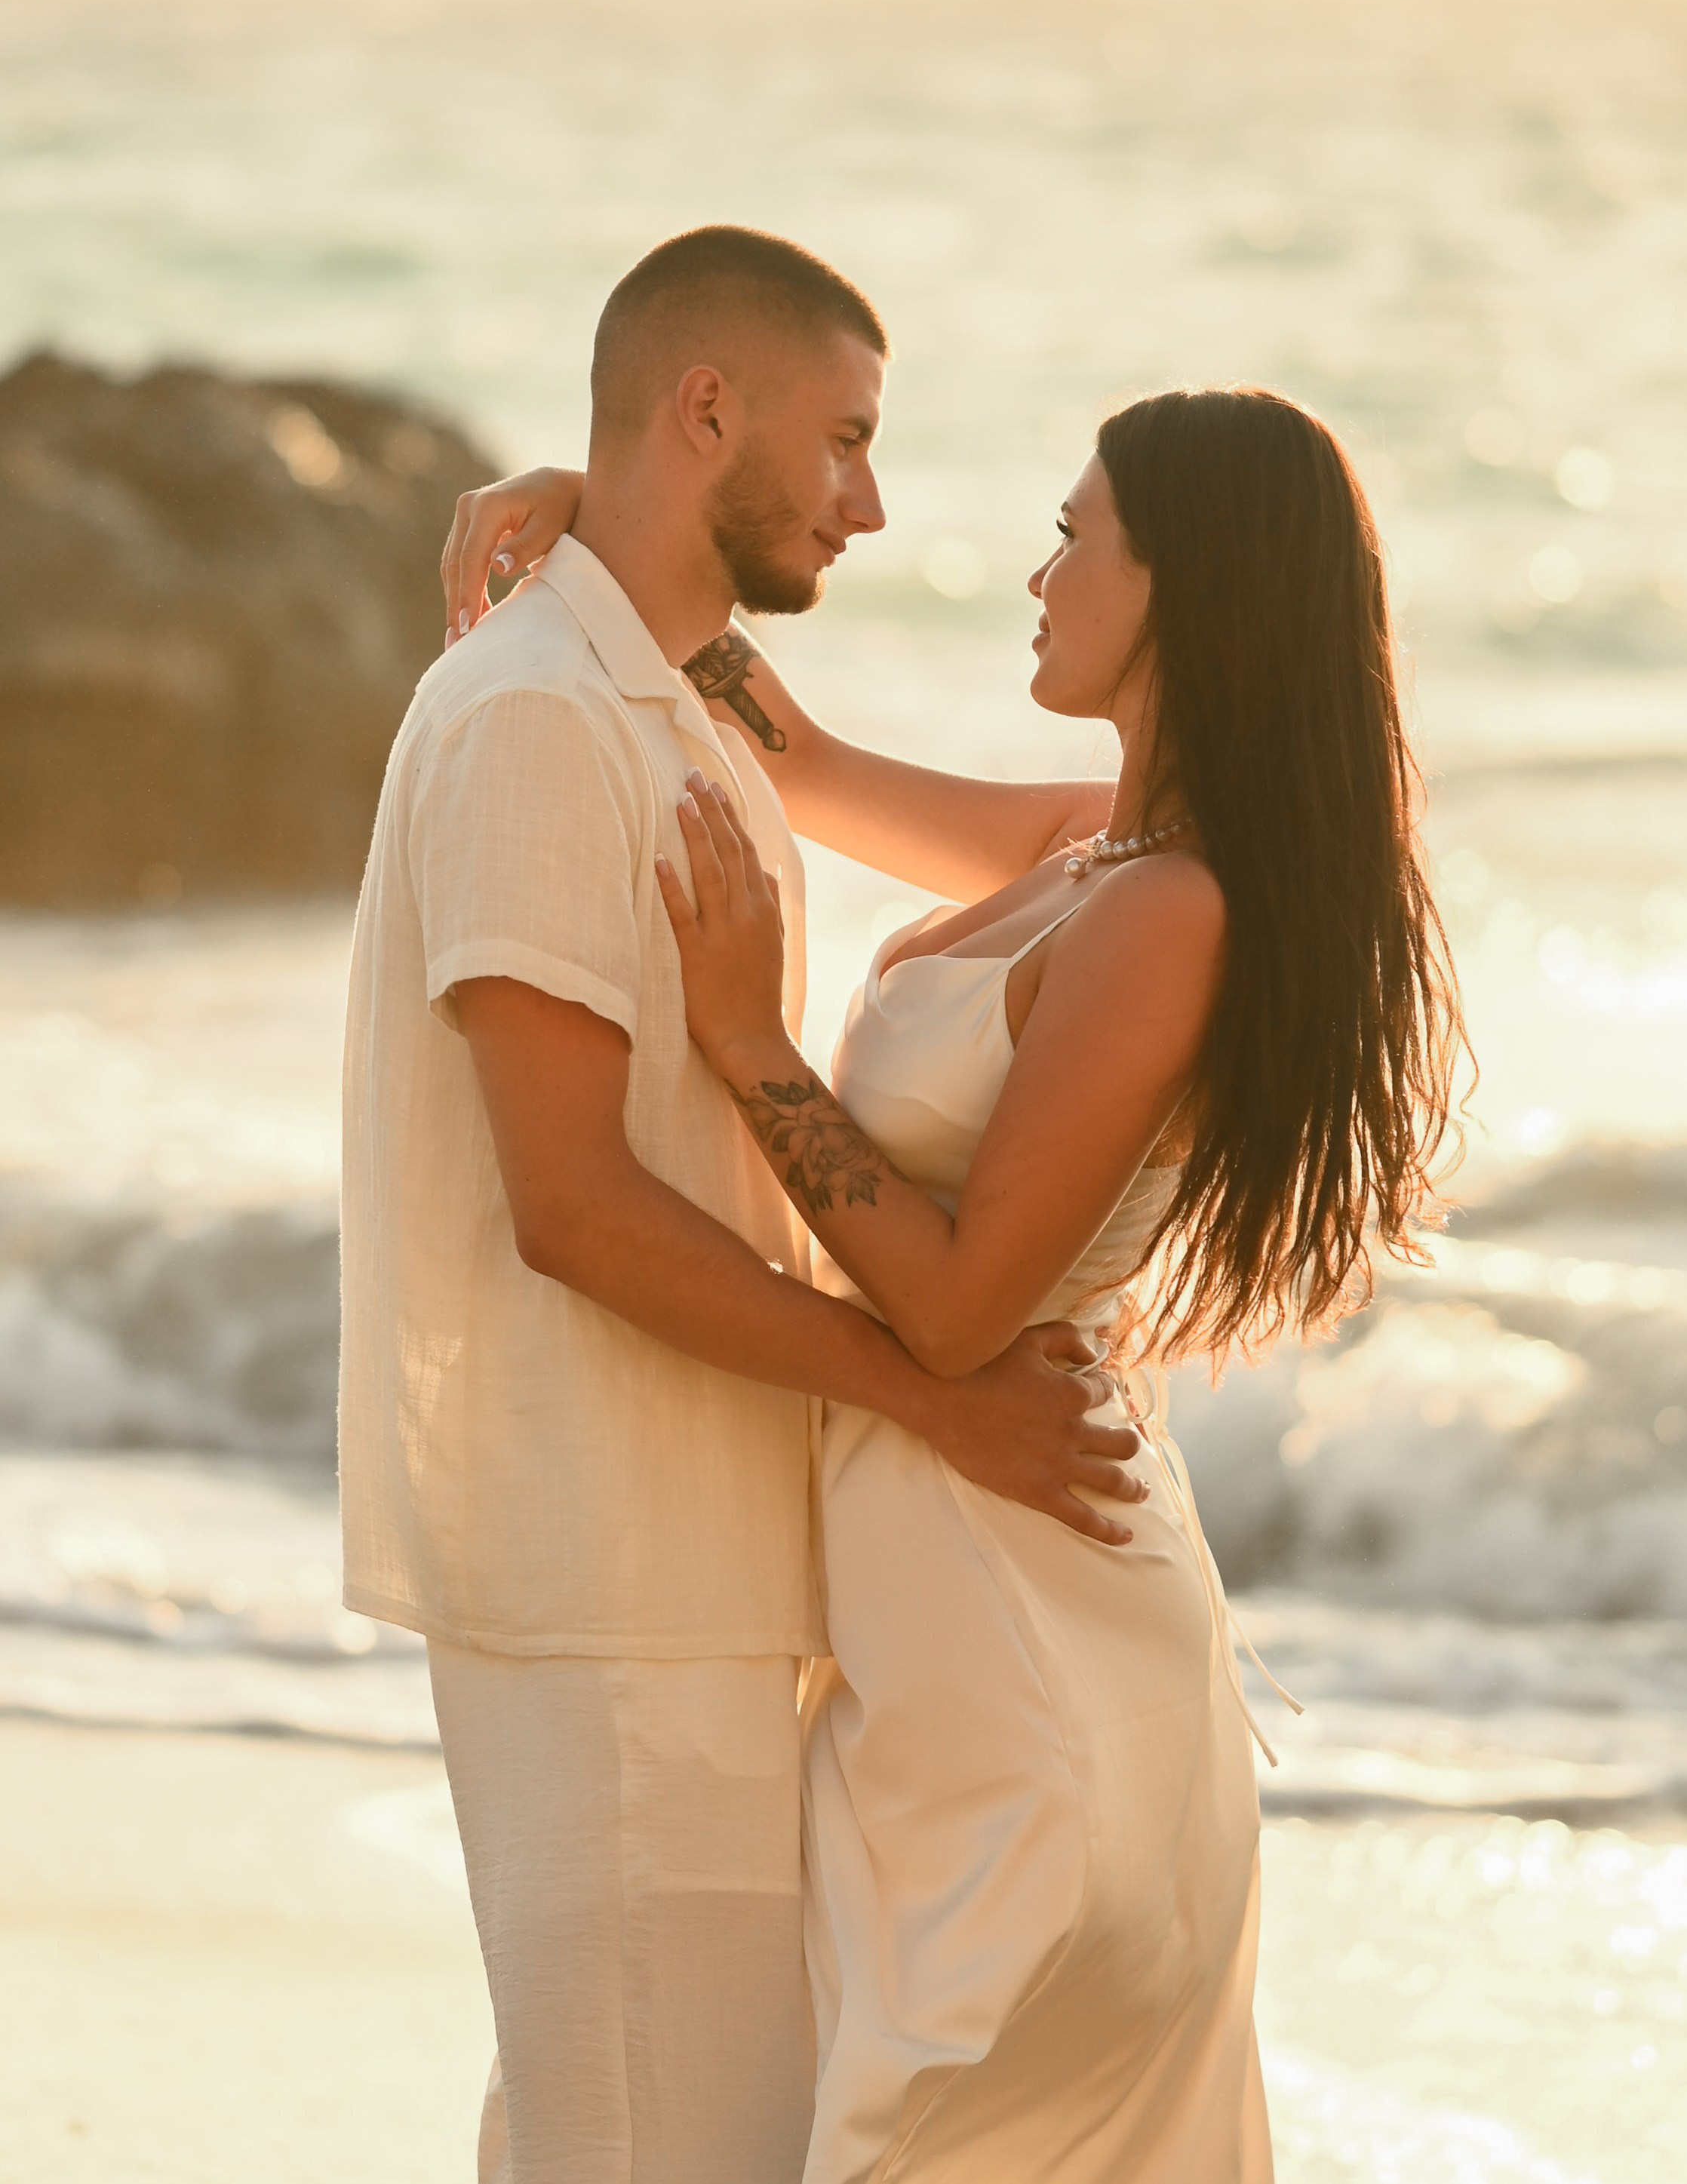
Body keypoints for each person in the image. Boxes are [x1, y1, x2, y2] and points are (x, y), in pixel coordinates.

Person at [450, 381, 1467, 2181]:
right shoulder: (1096, 847)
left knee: (904, 2126)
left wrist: (752, 1040)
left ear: (1187, 590)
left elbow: (953, 1312)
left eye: (1079, 536)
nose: (1038, 569)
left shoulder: (1170, 918)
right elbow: (791, 752)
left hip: (1024, 1642)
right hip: (950, 1607)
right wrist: (613, 521)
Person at [338, 226, 1150, 2184]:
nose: (872, 502)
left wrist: (604, 515)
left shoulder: (670, 710)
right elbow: (573, 1209)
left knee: (621, 2135)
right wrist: (926, 1385)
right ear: (710, 410)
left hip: (694, 1559)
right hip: (596, 1570)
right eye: (846, 439)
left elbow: (1119, 836)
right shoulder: (535, 715)